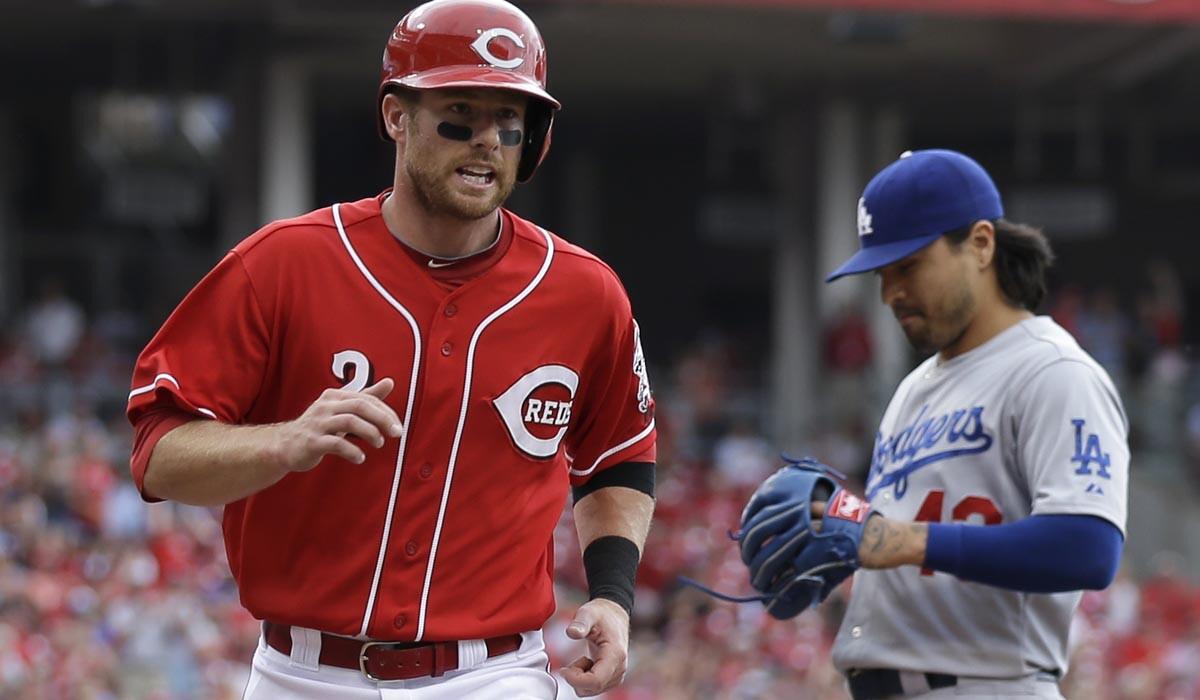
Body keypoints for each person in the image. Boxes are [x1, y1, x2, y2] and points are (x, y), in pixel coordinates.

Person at [124, 1, 657, 697]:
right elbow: (156, 455)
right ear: (396, 118)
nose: (487, 141)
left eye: (509, 120)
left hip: (495, 675)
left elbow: (618, 456)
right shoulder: (283, 264)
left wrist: (614, 596)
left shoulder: (585, 293)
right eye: (460, 113)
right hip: (303, 676)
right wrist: (281, 444)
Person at [733, 149, 1128, 700]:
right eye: (881, 272)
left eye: (909, 265)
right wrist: (841, 542)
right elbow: (904, 555)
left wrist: (899, 539)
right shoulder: (912, 391)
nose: (890, 291)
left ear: (982, 243)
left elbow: (1088, 547)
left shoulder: (1052, 371)